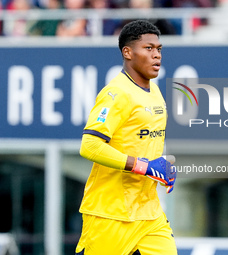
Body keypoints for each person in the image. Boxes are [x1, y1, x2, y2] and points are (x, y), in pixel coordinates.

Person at [75, 20, 177, 255]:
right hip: (110, 214)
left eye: (159, 49)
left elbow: (143, 145)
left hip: (149, 214)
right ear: (128, 52)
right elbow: (90, 145)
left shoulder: (156, 92)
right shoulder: (116, 93)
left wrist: (163, 165)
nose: (156, 55)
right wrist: (145, 167)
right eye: (148, 48)